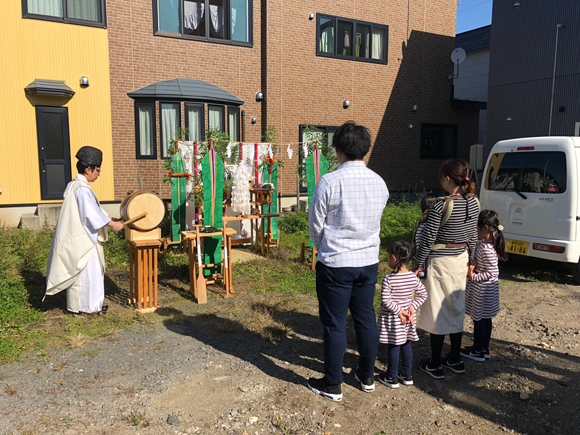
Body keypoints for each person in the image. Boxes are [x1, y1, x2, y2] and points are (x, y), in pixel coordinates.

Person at [307, 121, 389, 401]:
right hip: (367, 261)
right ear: (364, 150)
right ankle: (366, 376)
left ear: (339, 149)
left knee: (335, 324)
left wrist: (322, 249)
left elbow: (315, 225)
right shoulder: (379, 181)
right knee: (366, 318)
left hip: (336, 263)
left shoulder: (329, 181)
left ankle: (333, 384)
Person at [413, 159, 479, 379]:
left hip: (440, 263)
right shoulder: (473, 202)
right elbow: (473, 236)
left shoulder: (442, 204)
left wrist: (417, 263)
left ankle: (434, 363)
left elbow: (429, 238)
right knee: (455, 308)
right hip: (461, 260)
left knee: (436, 313)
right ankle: (455, 358)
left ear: (447, 178)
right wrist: (473, 260)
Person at [45, 146, 124, 314]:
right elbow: (90, 215)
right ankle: (88, 308)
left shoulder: (74, 185)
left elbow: (95, 211)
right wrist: (113, 225)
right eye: (98, 170)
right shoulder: (82, 189)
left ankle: (85, 306)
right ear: (89, 169)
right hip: (85, 240)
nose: (99, 174)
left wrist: (109, 218)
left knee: (85, 275)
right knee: (89, 274)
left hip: (81, 237)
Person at [378, 241, 427, 389]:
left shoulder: (389, 278)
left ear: (394, 258)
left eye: (388, 256)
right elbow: (423, 294)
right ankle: (407, 375)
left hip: (394, 319)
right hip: (408, 319)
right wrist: (413, 306)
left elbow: (386, 300)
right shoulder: (413, 277)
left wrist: (399, 310)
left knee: (394, 346)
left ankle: (391, 376)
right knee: (406, 344)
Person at [461, 210, 507, 361]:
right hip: (487, 290)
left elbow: (492, 272)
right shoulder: (487, 243)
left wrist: (473, 276)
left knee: (479, 320)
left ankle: (478, 350)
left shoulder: (487, 248)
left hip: (483, 290)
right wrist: (475, 262)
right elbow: (484, 264)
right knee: (486, 319)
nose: (476, 230)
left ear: (485, 228)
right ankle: (483, 348)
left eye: (477, 228)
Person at [412, 194, 437, 279]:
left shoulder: (422, 225)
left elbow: (418, 243)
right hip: (429, 261)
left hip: (427, 261)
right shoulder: (428, 226)